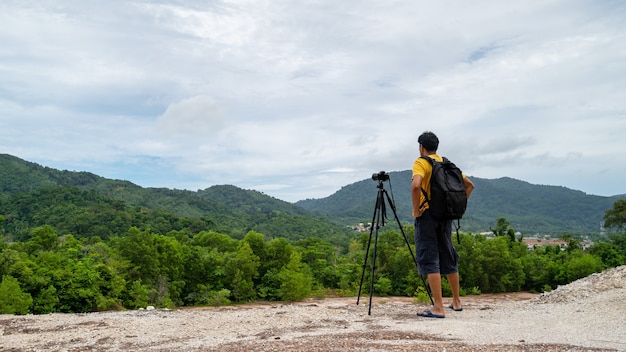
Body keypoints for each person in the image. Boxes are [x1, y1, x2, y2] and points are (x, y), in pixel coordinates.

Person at [411, 131, 474, 318]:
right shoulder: (446, 163)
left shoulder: (421, 162)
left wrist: (416, 210)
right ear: (436, 147)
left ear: (421, 147)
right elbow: (469, 185)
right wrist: (455, 207)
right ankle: (456, 301)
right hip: (445, 215)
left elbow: (416, 185)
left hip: (428, 215)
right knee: (448, 255)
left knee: (430, 258)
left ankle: (438, 307)